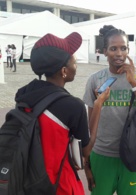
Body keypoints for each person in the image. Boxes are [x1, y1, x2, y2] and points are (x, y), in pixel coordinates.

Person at [14, 32, 110, 195]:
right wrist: (98, 104)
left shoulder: (23, 95)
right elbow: (86, 151)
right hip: (58, 185)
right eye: (74, 61)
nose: (76, 65)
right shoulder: (73, 106)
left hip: (28, 180)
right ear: (64, 71)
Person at [83, 25, 136, 195]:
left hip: (134, 156)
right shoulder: (95, 80)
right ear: (104, 51)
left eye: (123, 48)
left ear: (128, 50)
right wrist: (87, 166)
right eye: (113, 48)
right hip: (102, 156)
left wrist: (134, 84)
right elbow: (89, 129)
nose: (119, 53)